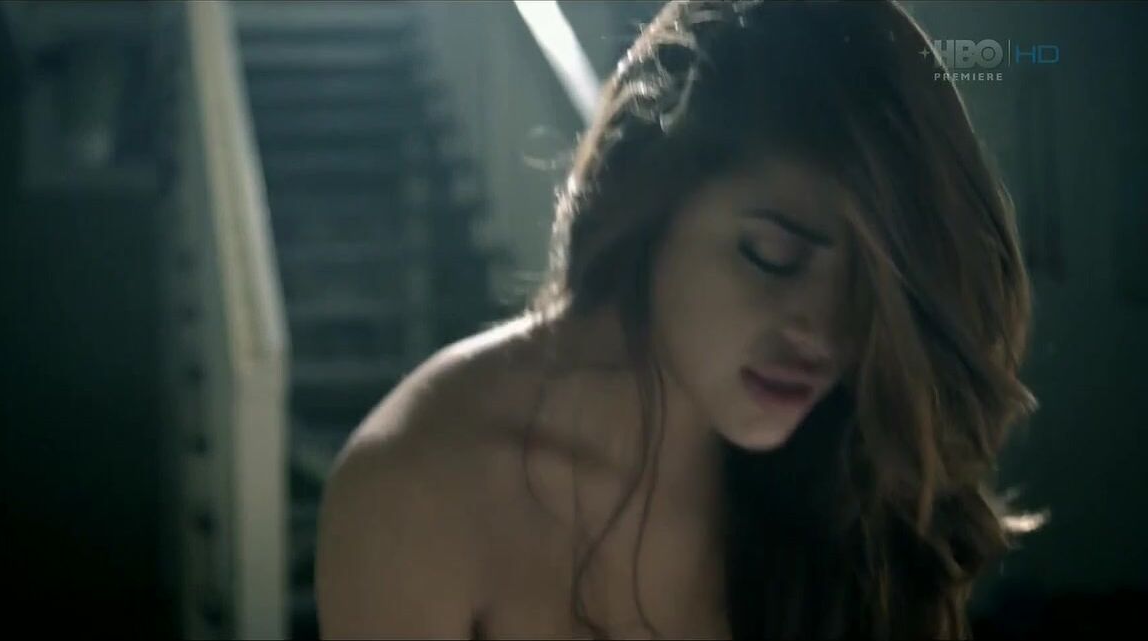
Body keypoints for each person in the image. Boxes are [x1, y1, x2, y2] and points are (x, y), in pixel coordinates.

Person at [315, 1, 1043, 638]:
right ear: (652, 198)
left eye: (869, 293)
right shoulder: (417, 487)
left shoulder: (854, 468)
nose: (826, 335)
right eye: (772, 256)